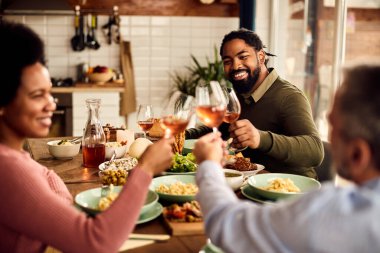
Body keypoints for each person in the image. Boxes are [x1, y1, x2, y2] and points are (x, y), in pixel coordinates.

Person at [0, 21, 174, 253]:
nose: (51, 104)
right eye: (36, 95)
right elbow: (94, 243)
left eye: (49, 92)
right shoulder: (9, 168)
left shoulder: (14, 156)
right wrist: (146, 168)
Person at [193, 62, 380, 253]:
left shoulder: (330, 215)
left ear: (358, 154)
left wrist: (209, 165)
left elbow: (228, 226)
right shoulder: (241, 95)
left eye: (332, 126)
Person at [187, 29, 323, 178]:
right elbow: (216, 128)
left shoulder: (288, 96)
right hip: (252, 184)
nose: (235, 66)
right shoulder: (240, 94)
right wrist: (180, 134)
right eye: (228, 61)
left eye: (243, 57)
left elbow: (316, 151)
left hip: (291, 191)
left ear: (261, 57)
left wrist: (260, 138)